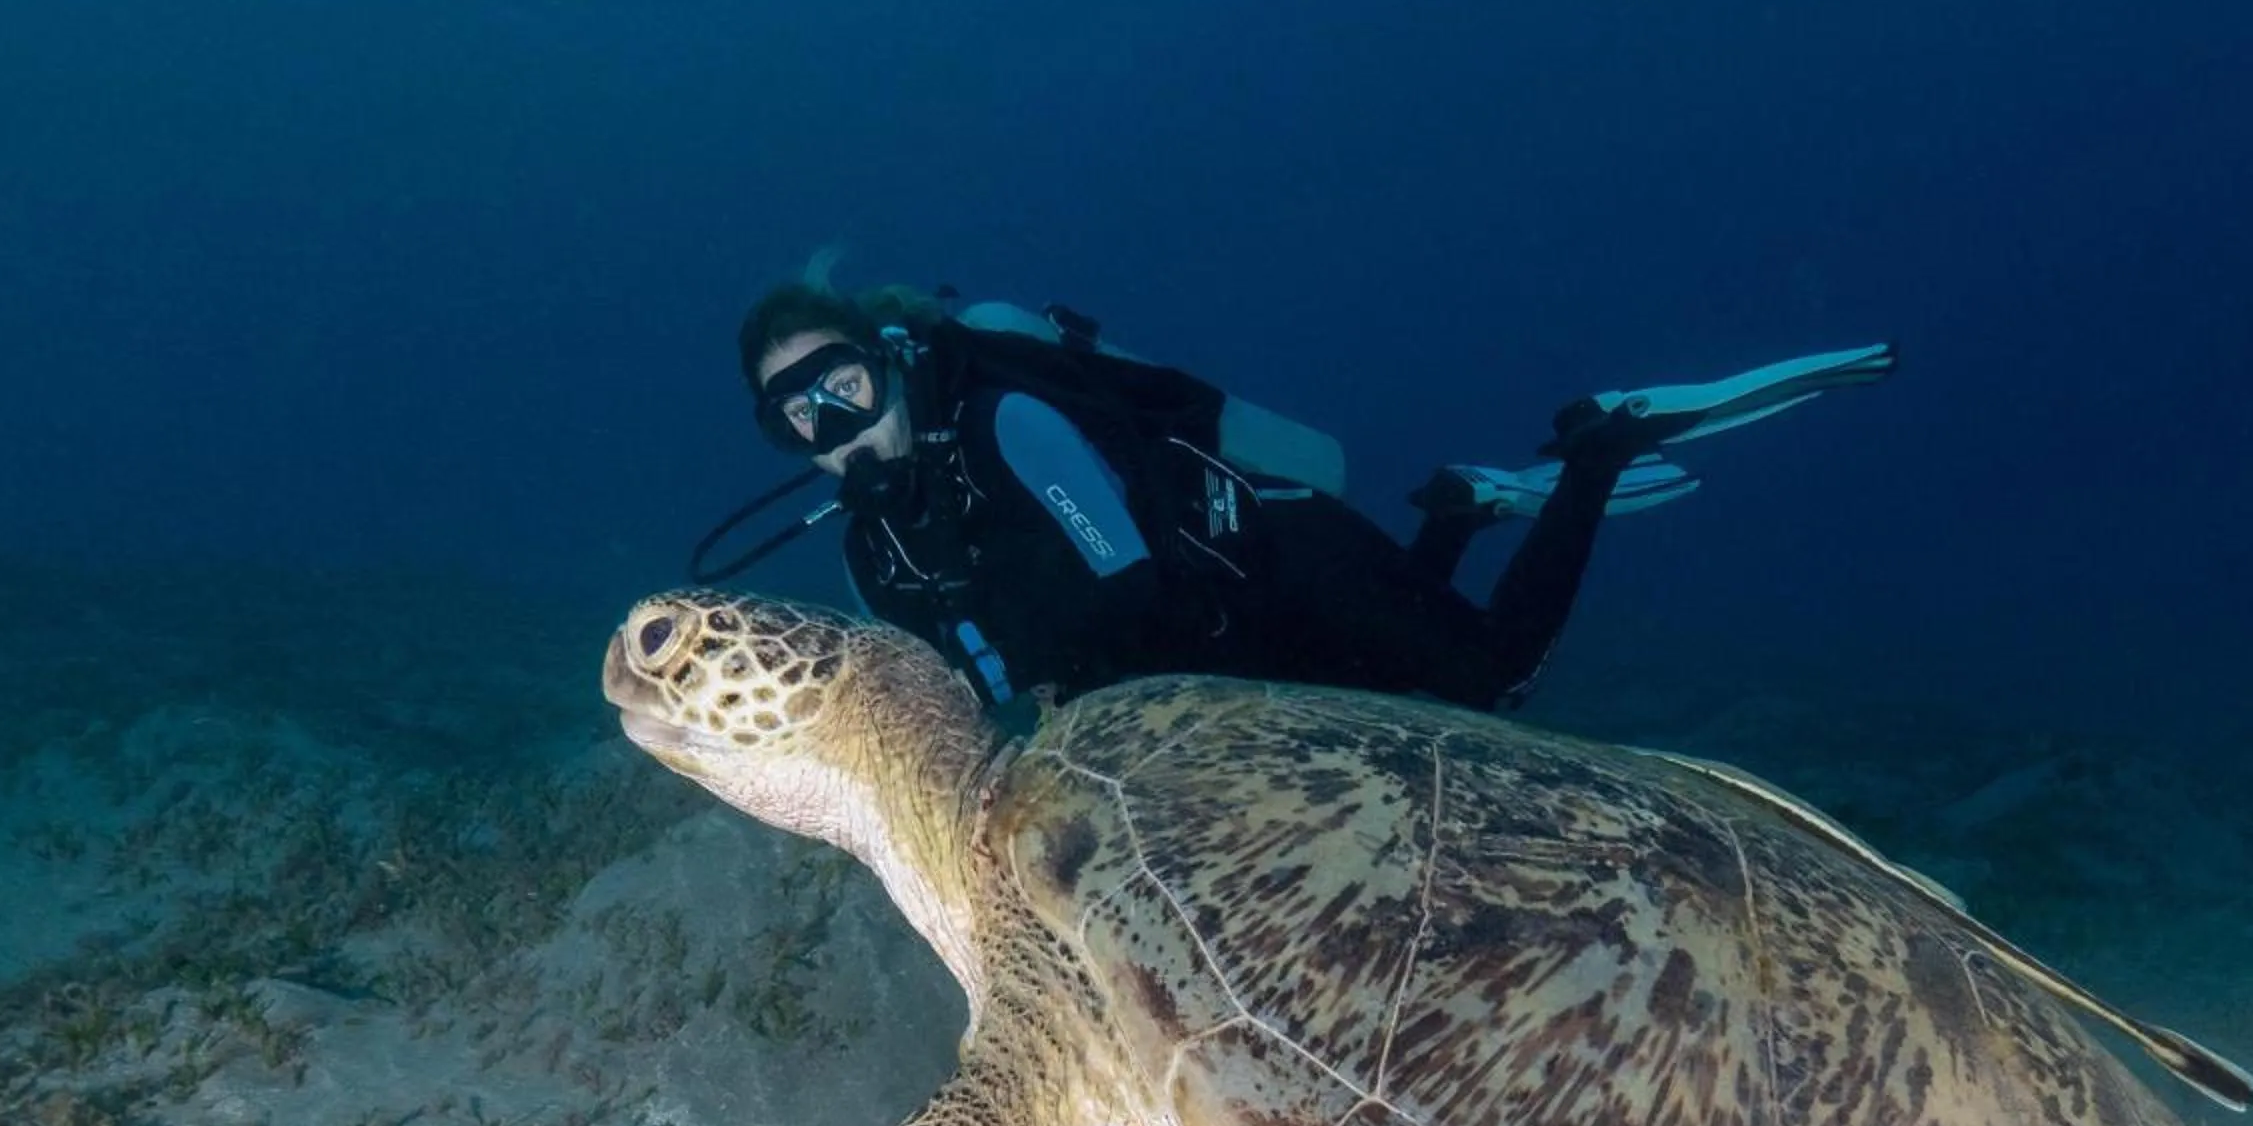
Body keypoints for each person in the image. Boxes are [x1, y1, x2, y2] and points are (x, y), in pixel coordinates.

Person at [698, 263, 1895, 714]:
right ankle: (1462, 510)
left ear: (888, 361)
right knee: (1397, 699)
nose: (833, 428)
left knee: (1490, 683)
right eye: (796, 416)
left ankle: (1601, 442)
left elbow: (1132, 589)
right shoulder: (875, 555)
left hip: (1267, 555)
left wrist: (1073, 703)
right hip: (1224, 664)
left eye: (842, 386)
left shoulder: (1006, 416)